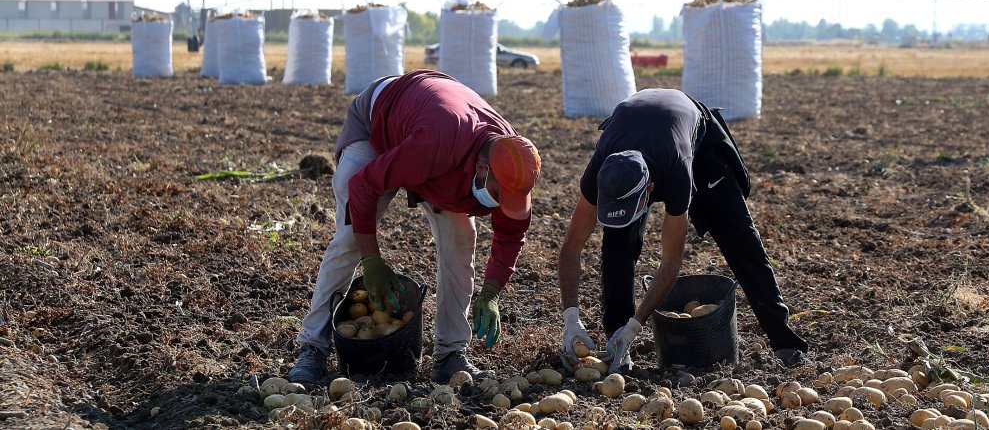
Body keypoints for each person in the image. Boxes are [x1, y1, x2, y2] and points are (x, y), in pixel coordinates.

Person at [288, 69, 541, 384]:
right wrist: (372, 260)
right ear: (480, 169)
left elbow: (511, 234)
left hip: (435, 144)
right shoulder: (437, 143)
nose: (503, 204)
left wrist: (491, 292)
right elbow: (363, 187)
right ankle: (312, 346)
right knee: (352, 237)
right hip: (379, 122)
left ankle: (451, 354)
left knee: (462, 237)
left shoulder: (512, 165)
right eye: (499, 195)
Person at [557, 88, 808, 370]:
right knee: (617, 244)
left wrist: (636, 326)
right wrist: (571, 317)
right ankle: (616, 340)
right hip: (638, 132)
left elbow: (670, 260)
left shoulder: (677, 172)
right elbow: (571, 247)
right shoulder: (601, 174)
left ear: (649, 190)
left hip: (699, 148)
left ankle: (785, 343)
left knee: (740, 240)